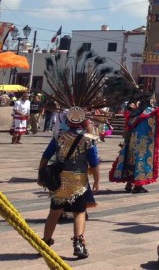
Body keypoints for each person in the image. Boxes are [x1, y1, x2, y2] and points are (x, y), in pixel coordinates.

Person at [38, 106, 101, 259]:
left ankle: (45, 242)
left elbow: (46, 156)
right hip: (79, 180)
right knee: (79, 212)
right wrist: (97, 181)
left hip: (60, 179)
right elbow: (94, 163)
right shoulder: (88, 139)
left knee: (54, 211)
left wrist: (41, 175)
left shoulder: (59, 137)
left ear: (67, 120)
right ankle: (78, 243)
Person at [109, 93, 159, 193]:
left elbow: (127, 129)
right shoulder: (151, 112)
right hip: (144, 142)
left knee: (130, 161)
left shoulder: (134, 114)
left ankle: (129, 183)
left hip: (131, 143)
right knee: (141, 162)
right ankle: (138, 185)